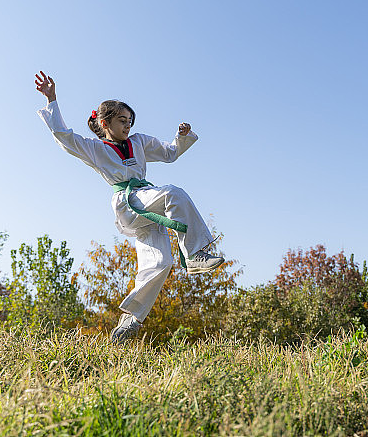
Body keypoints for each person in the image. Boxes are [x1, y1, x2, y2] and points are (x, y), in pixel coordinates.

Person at [33, 71, 225, 343]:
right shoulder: (95, 148)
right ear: (104, 122)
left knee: (161, 262)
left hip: (148, 201)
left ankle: (129, 321)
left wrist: (181, 137)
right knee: (174, 194)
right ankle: (195, 254)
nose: (127, 126)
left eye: (130, 121)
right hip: (128, 202)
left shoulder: (140, 142)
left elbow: (170, 153)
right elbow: (64, 136)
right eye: (122, 121)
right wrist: (52, 100)